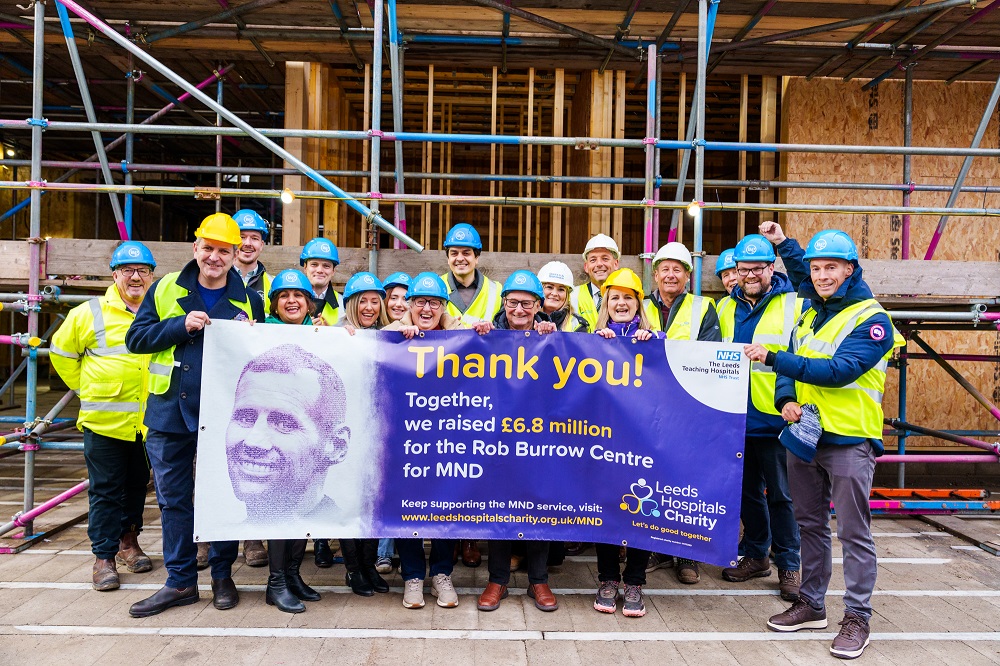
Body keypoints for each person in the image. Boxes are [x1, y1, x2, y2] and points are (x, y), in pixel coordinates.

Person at [748, 230, 902, 660]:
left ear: (850, 270)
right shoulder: (810, 313)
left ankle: (857, 617)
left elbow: (839, 370)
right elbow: (792, 366)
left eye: (831, 267)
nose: (821, 275)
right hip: (805, 438)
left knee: (853, 532)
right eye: (816, 269)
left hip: (850, 440)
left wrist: (775, 358)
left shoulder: (872, 320)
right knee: (809, 525)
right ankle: (812, 604)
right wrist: (786, 399)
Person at [124, 213, 265, 618]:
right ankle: (181, 581)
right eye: (209, 248)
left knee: (221, 499)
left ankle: (222, 576)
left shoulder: (249, 300)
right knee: (174, 501)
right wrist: (179, 326)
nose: (215, 257)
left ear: (236, 254)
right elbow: (136, 339)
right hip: (170, 414)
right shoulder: (166, 288)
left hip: (224, 418)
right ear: (195, 248)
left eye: (224, 251)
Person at [50, 241, 157, 592]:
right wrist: (88, 388)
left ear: (152, 276)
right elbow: (62, 352)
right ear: (115, 275)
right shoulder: (89, 313)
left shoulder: (157, 310)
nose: (136, 276)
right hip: (104, 422)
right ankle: (104, 557)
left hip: (146, 422)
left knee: (136, 487)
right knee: (106, 491)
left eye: (143, 270)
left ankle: (129, 543)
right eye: (128, 270)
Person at [385, 272, 490, 609]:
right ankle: (414, 577)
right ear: (409, 305)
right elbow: (370, 346)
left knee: (448, 501)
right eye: (419, 302)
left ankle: (442, 574)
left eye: (434, 302)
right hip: (406, 438)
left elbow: (484, 330)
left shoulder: (459, 328)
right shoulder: (392, 332)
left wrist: (484, 330)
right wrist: (398, 338)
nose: (426, 309)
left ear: (444, 305)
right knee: (407, 505)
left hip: (449, 437)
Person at [232, 269, 328, 613]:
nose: (291, 301)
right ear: (274, 303)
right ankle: (276, 583)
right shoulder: (261, 333)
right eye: (284, 296)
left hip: (298, 435)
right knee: (279, 507)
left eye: (298, 296)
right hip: (273, 435)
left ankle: (291, 574)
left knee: (300, 505)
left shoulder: (320, 334)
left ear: (309, 302)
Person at [716, 234, 804, 602]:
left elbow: (797, 356)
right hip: (735, 418)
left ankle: (789, 564)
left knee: (781, 496)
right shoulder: (722, 309)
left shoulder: (793, 304)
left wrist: (786, 242)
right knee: (746, 494)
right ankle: (755, 556)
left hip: (776, 418)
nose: (749, 275)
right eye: (742, 269)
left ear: (771, 267)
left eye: (756, 268)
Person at [477, 271, 558, 614]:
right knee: (499, 504)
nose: (520, 309)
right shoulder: (486, 334)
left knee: (539, 502)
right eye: (513, 302)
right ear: (504, 303)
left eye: (527, 303)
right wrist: (476, 335)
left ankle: (538, 580)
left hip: (540, 436)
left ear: (539, 305)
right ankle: (497, 581)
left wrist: (555, 338)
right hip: (497, 436)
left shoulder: (552, 336)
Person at [641, 242, 721, 583]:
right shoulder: (640, 304)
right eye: (665, 268)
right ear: (655, 273)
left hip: (687, 408)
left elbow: (709, 356)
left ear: (688, 276)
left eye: (678, 269)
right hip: (644, 408)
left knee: (686, 481)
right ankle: (655, 549)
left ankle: (687, 555)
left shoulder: (704, 307)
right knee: (651, 479)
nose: (670, 274)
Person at [590, 268, 664, 618]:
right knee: (606, 508)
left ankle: (634, 582)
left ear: (638, 304)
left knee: (640, 510)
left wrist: (658, 347)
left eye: (628, 297)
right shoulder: (593, 338)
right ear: (606, 303)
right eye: (614, 297)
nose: (621, 303)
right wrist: (595, 344)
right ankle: (607, 579)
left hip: (641, 441)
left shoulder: (656, 340)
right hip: (604, 441)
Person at [439, 223, 500, 567]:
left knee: (477, 460)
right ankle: (451, 533)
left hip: (482, 388)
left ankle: (470, 537)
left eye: (466, 253)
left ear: (477, 257)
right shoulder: (432, 288)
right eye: (454, 253)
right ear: (447, 257)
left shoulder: (497, 290)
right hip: (443, 391)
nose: (460, 258)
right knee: (449, 462)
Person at [334, 271, 390, 595]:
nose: (369, 307)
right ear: (351, 303)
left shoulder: (388, 334)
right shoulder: (339, 334)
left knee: (374, 502)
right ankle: (354, 570)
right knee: (350, 500)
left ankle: (369, 566)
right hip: (348, 431)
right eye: (363, 301)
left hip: (379, 431)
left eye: (374, 301)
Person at [231, 207, 272, 569]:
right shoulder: (208, 275)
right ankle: (211, 539)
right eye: (241, 236)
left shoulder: (271, 286)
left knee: (256, 454)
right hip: (219, 381)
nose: (247, 243)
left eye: (254, 237)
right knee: (210, 464)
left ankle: (252, 536)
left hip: (257, 385)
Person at [570, 233, 620, 332]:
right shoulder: (573, 296)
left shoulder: (626, 296)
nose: (599, 264)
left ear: (616, 264)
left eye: (605, 259)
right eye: (593, 260)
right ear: (586, 267)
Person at [300, 237, 343, 326]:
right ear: (305, 267)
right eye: (314, 264)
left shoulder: (343, 305)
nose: (319, 270)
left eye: (326, 266)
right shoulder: (291, 301)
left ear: (333, 271)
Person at [537, 261, 589, 332]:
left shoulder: (577, 324)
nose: (555, 293)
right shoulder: (528, 318)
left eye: (561, 289)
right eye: (549, 287)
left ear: (567, 294)